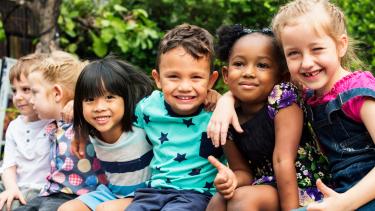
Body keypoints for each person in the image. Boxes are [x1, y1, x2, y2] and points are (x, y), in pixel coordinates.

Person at [205, 24, 330, 211]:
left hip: (302, 186)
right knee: (218, 200)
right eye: (239, 64)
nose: (248, 72)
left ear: (282, 77)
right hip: (264, 185)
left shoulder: (283, 97)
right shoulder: (226, 117)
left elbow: (283, 159)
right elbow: (242, 171)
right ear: (226, 74)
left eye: (262, 65)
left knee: (242, 200)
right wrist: (231, 179)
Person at [271, 0, 375, 210]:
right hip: (340, 194)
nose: (306, 62)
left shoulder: (359, 91)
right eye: (294, 53)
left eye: (316, 49)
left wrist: (344, 203)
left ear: (341, 45)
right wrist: (226, 100)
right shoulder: (308, 95)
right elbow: (252, 88)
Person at [121, 23, 225, 211]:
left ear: (211, 80)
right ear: (158, 79)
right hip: (153, 192)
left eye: (196, 77)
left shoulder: (219, 112)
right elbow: (112, 116)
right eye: (174, 77)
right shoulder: (147, 107)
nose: (185, 86)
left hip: (197, 194)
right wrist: (75, 105)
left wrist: (224, 100)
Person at [13, 51, 106, 211]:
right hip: (51, 193)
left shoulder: (85, 118)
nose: (31, 100)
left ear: (57, 93)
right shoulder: (53, 125)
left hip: (78, 196)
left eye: (34, 92)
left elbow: (102, 101)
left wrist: (78, 104)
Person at [57, 57, 154, 211]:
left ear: (126, 98)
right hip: (112, 194)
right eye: (90, 99)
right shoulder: (91, 130)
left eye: (109, 97)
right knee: (67, 209)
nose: (99, 107)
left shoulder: (142, 122)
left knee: (105, 210)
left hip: (148, 194)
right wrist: (79, 128)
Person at [0, 53, 52, 211]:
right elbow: (8, 165)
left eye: (26, 89)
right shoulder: (15, 127)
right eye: (15, 91)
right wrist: (11, 189)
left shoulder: (55, 121)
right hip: (15, 185)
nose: (18, 97)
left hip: (44, 190)